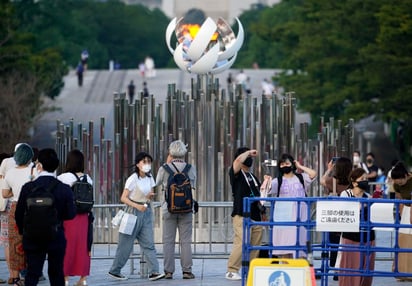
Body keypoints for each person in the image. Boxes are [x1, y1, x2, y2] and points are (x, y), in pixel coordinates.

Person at [15, 148, 76, 286]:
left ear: (39, 165)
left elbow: (18, 214)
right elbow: (71, 214)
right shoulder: (64, 188)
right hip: (56, 236)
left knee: (32, 273)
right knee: (56, 273)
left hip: (32, 237)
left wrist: (23, 231)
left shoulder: (28, 188)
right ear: (56, 166)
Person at [108, 152, 165, 282]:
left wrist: (148, 199)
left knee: (149, 243)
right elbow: (123, 197)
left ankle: (154, 271)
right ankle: (115, 270)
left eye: (149, 162)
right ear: (138, 164)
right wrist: (137, 205)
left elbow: (149, 195)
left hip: (146, 212)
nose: (147, 164)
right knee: (125, 244)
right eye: (144, 162)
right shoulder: (132, 179)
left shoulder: (150, 178)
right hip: (132, 213)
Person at [225, 147, 269, 281]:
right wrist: (248, 152)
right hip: (241, 214)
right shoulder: (236, 173)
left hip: (256, 214)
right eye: (247, 156)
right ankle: (232, 270)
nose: (249, 159)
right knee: (242, 241)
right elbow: (238, 161)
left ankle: (252, 268)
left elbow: (260, 194)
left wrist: (267, 183)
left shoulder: (253, 177)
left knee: (255, 244)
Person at [155, 140, 196, 280]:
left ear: (170, 152)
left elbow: (156, 183)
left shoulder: (164, 168)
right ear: (184, 152)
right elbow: (193, 185)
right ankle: (187, 271)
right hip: (186, 208)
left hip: (168, 208)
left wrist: (167, 164)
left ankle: (168, 271)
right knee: (185, 240)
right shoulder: (190, 168)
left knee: (168, 240)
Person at [268, 153, 317, 258]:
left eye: (287, 163)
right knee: (284, 245)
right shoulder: (278, 181)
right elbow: (266, 188)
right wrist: (266, 181)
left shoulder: (301, 177)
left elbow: (313, 174)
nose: (285, 166)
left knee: (301, 242)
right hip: (284, 217)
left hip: (301, 217)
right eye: (282, 164)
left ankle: (300, 266)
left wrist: (300, 166)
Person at [57, 150, 94, 286]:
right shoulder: (88, 178)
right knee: (83, 247)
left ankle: (65, 278)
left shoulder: (63, 177)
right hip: (84, 218)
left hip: (68, 217)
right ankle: (83, 279)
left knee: (67, 247)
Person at [2, 143, 34, 286]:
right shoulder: (33, 172)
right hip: (31, 208)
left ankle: (15, 277)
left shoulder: (10, 173)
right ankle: (28, 275)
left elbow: (4, 193)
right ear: (29, 157)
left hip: (14, 208)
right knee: (30, 242)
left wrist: (14, 192)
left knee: (14, 242)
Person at [339, 168, 375, 286]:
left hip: (367, 235)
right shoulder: (346, 194)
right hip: (351, 234)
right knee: (350, 264)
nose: (365, 181)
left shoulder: (368, 196)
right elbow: (344, 211)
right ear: (354, 182)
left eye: (366, 179)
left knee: (366, 265)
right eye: (362, 179)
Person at [320, 157, 352, 280]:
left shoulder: (332, 181)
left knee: (334, 242)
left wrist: (328, 170)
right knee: (346, 242)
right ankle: (345, 268)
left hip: (334, 216)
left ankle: (335, 269)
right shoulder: (351, 182)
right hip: (349, 215)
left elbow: (322, 180)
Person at [391, 161, 412, 281]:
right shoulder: (396, 185)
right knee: (403, 240)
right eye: (396, 182)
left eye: (401, 181)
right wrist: (399, 216)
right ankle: (401, 270)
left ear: (406, 176)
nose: (399, 184)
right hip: (405, 210)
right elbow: (399, 200)